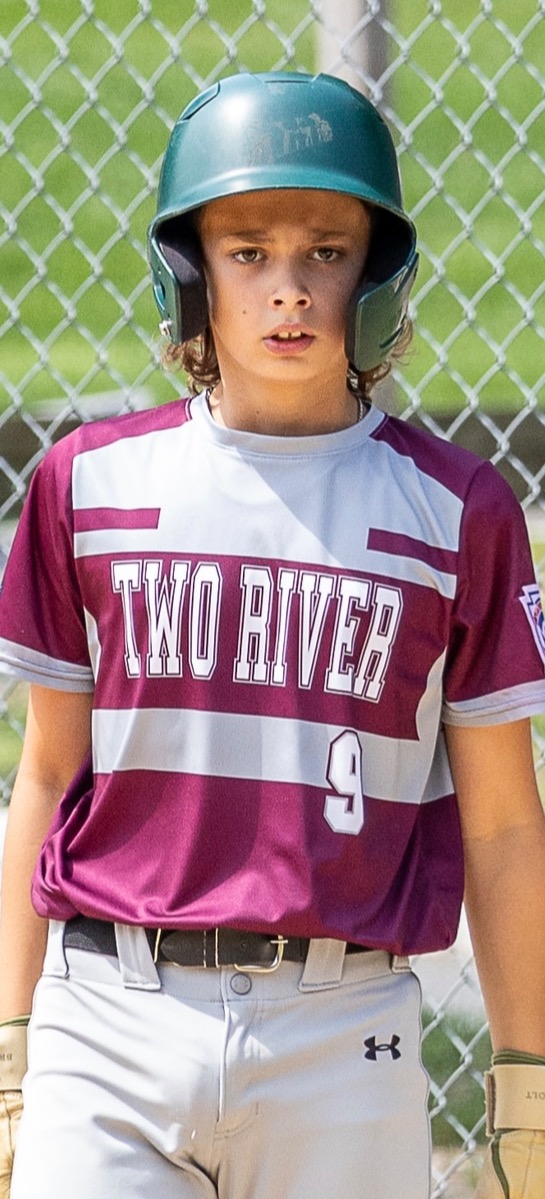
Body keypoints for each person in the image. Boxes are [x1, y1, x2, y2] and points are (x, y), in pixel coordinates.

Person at [0, 69, 544, 1199]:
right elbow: (45, 777)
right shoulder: (89, 486)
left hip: (343, 1032)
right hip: (109, 1019)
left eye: (326, 252)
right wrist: (9, 1047)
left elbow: (500, 824)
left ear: (378, 277)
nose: (287, 289)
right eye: (246, 252)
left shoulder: (456, 512)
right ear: (190, 276)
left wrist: (526, 1078)